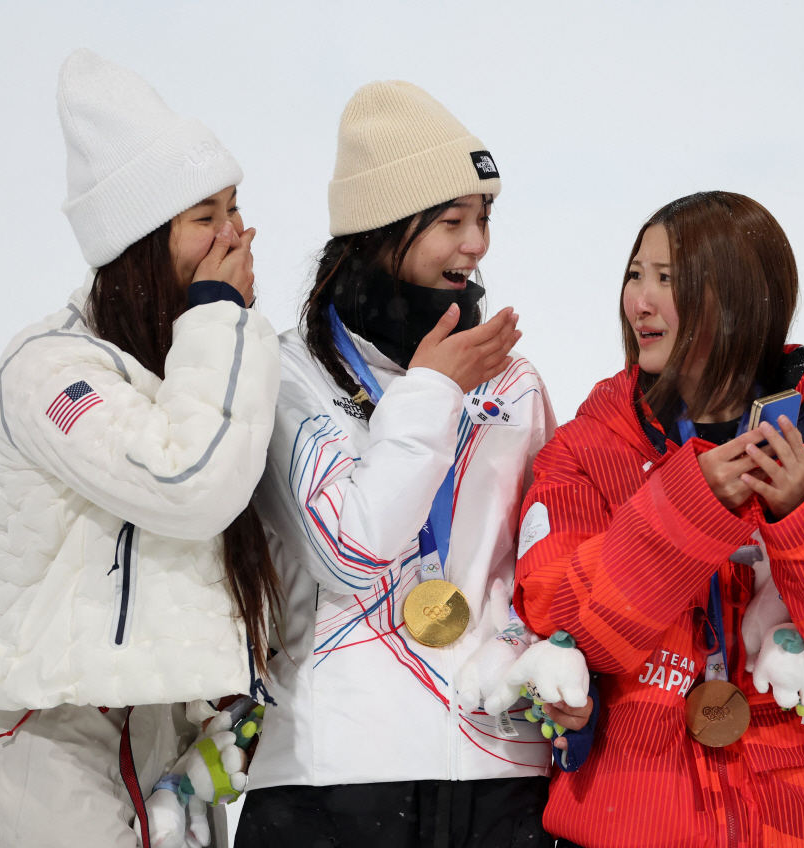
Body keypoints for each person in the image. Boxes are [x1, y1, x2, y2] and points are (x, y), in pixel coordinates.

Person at [513, 192, 804, 847]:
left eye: (670, 279)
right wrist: (688, 510)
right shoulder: (585, 450)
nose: (642, 302)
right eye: (636, 275)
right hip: (633, 824)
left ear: (743, 301)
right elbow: (566, 624)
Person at [0, 49, 282, 848]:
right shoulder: (50, 370)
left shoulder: (201, 359)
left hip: (166, 741)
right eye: (205, 218)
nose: (235, 236)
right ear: (137, 242)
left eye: (234, 209)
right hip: (51, 742)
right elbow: (187, 480)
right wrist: (220, 316)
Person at [236, 81, 562, 848]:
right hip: (335, 776)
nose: (477, 244)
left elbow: (551, 564)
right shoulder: (287, 377)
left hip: (502, 771)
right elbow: (354, 550)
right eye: (452, 220)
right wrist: (434, 390)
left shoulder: (513, 384)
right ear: (382, 230)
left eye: (484, 218)